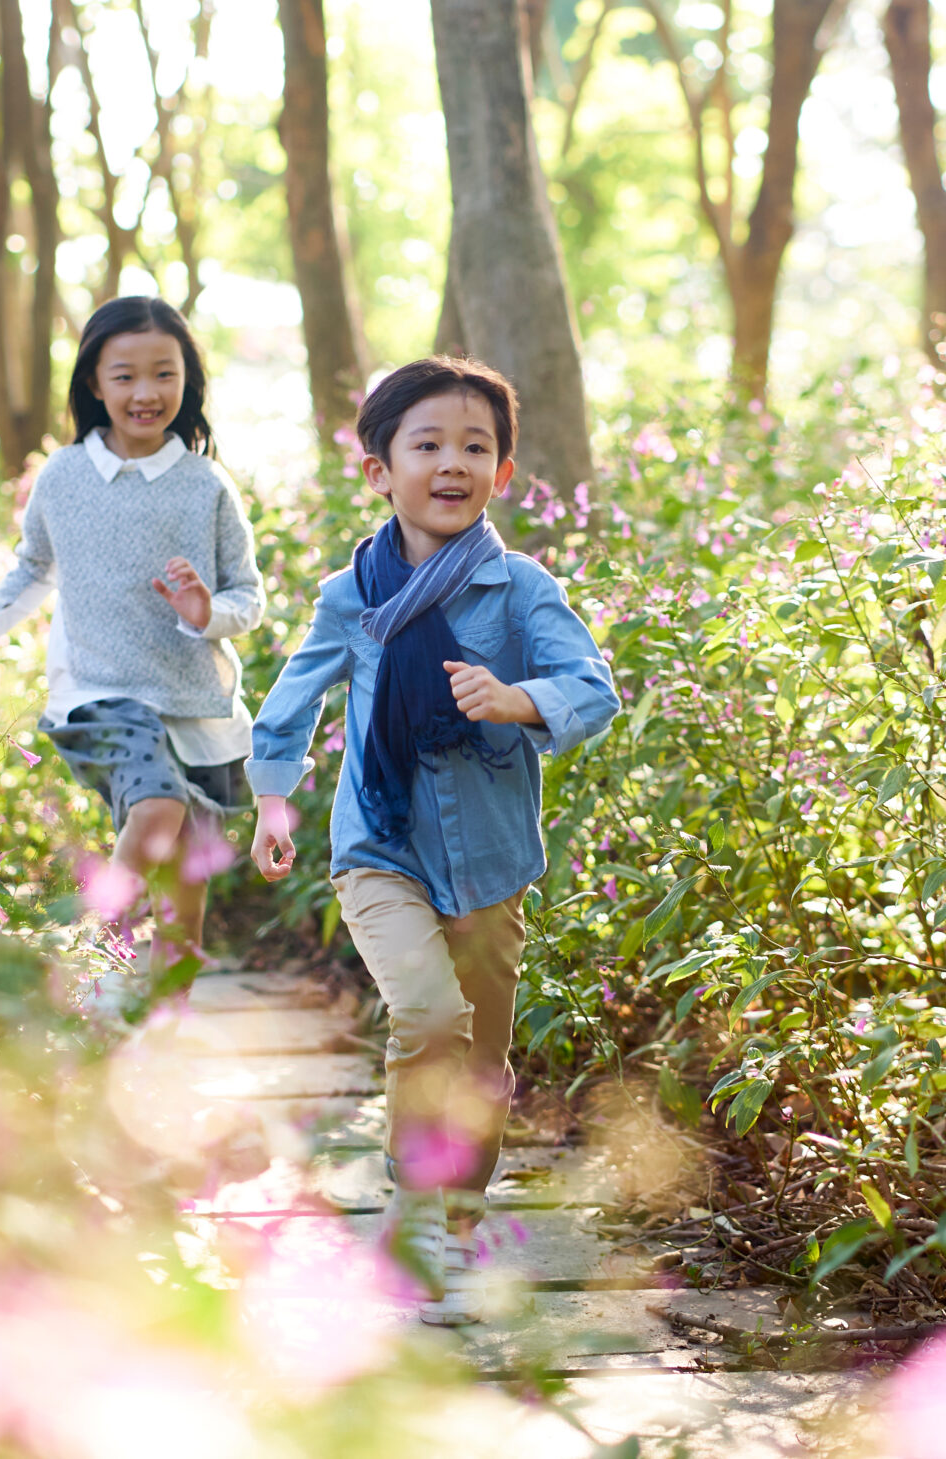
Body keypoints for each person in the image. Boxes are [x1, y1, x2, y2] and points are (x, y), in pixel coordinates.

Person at [247, 357, 620, 1325]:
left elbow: (593, 687)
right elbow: (289, 706)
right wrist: (272, 803)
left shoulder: (520, 587)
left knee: (484, 1052)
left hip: (491, 853)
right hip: (380, 843)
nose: (451, 463)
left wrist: (516, 699)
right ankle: (412, 1202)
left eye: (474, 447)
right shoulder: (349, 595)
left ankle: (462, 1199)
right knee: (426, 1013)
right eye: (427, 445)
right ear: (379, 470)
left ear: (503, 474)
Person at [0, 296, 263, 1005]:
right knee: (155, 808)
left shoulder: (207, 486)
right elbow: (35, 566)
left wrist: (206, 610)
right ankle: (81, 965)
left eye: (164, 374)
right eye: (124, 376)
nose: (146, 393)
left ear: (188, 381)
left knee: (186, 894)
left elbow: (249, 594)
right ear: (94, 383)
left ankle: (162, 1044)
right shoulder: (63, 476)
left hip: (195, 704)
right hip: (100, 693)